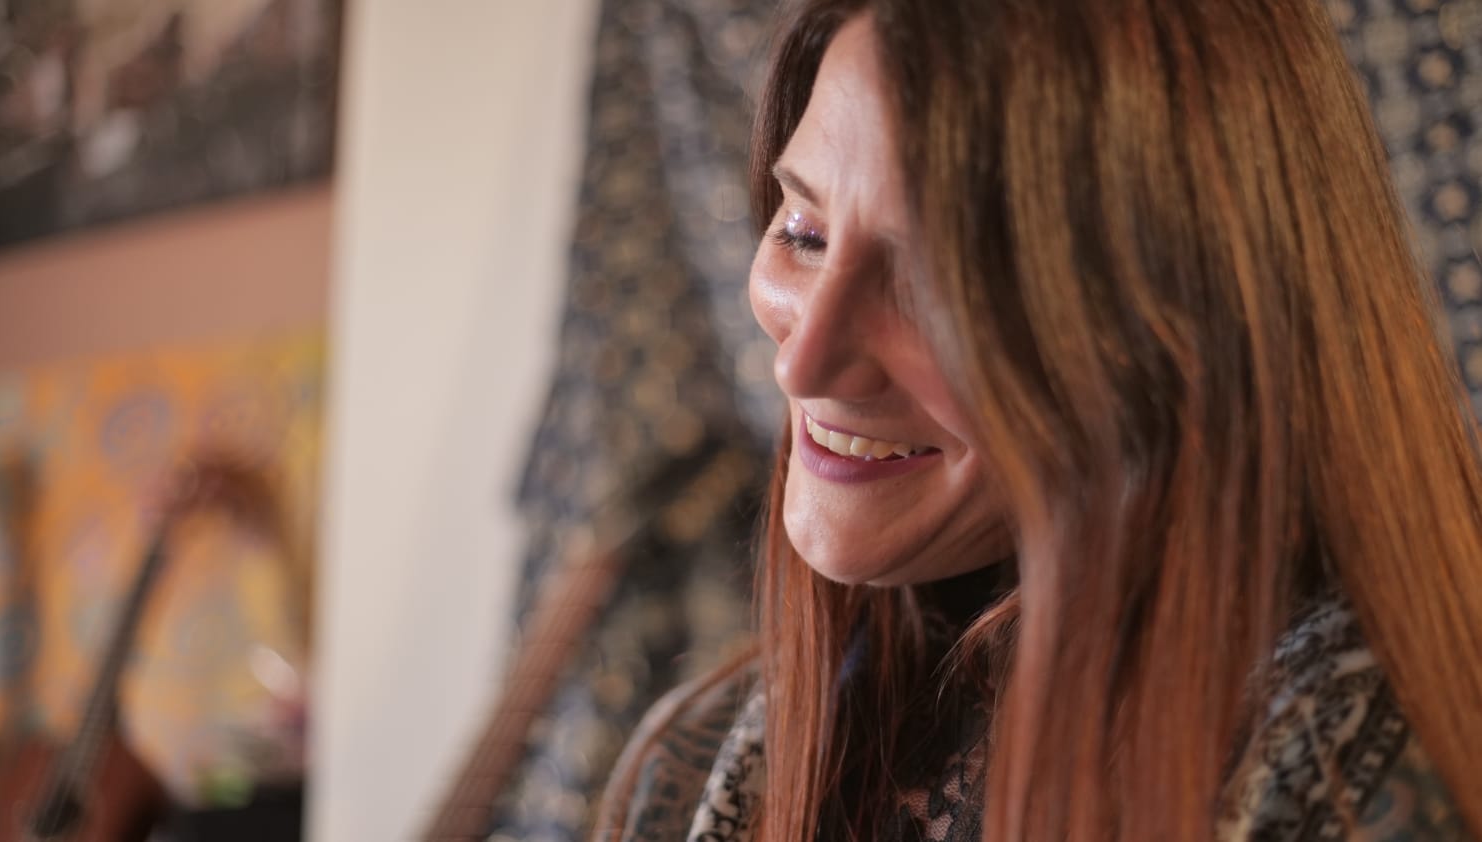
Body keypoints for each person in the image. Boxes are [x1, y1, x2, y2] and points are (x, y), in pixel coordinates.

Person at [592, 0, 1482, 839]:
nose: (803, 362)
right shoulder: (696, 759)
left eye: (940, 280)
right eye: (805, 233)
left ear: (1186, 328)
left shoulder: (1364, 784)